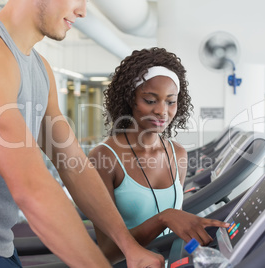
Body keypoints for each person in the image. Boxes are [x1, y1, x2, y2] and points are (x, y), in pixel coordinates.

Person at [0, 0, 165, 267]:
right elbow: (30, 186)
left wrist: (128, 245)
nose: (83, 11)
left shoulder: (41, 70)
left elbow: (73, 165)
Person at [89, 47, 230, 264]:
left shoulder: (178, 154)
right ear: (130, 99)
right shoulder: (104, 158)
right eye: (150, 100)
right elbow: (108, 251)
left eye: (170, 101)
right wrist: (164, 218)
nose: (162, 111)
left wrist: (201, 250)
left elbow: (175, 233)